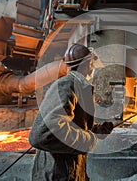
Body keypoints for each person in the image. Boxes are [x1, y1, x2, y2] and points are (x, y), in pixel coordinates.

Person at [29, 44, 114, 181]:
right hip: (56, 174)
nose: (93, 67)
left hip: (70, 171)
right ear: (87, 64)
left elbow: (73, 123)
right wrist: (89, 139)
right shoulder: (67, 85)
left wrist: (96, 130)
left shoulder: (78, 85)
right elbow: (44, 135)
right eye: (92, 62)